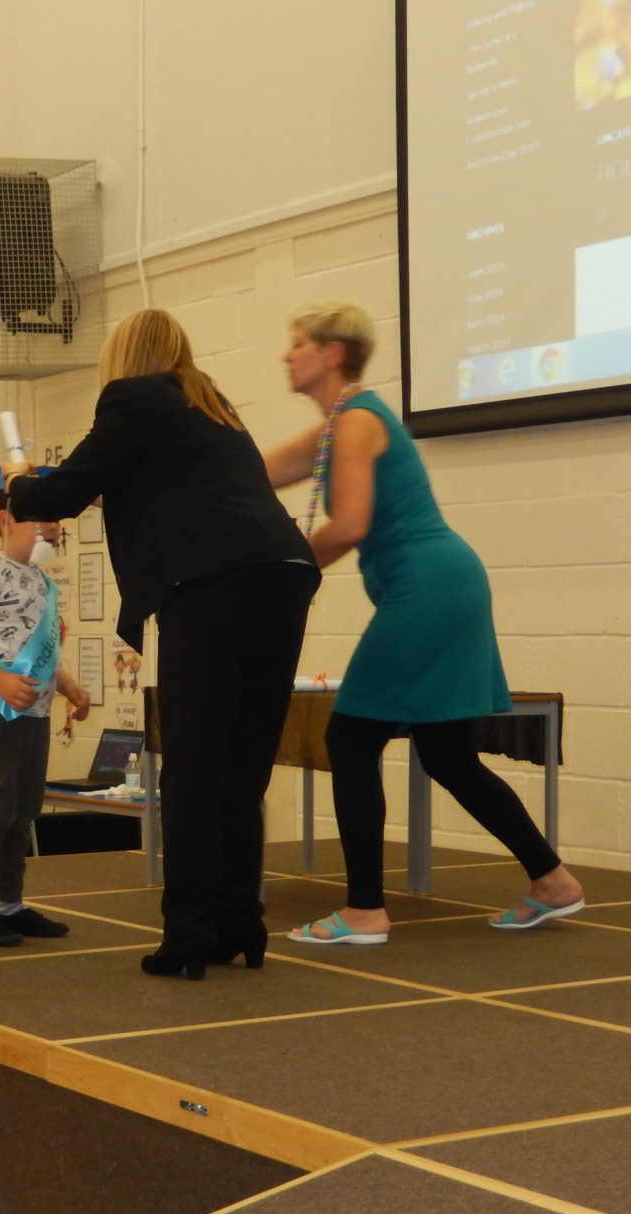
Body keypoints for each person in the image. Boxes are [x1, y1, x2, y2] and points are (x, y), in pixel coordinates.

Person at [7, 309, 319, 980]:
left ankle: (188, 938)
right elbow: (159, 487)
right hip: (285, 574)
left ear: (124, 356)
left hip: (213, 586)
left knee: (194, 768)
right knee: (242, 770)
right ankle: (239, 924)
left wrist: (18, 483)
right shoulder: (213, 406)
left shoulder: (134, 396)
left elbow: (61, 493)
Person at [266, 302, 583, 943]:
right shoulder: (338, 428)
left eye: (297, 343)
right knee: (448, 755)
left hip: (427, 587)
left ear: (332, 352)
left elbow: (350, 525)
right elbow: (250, 474)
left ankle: (364, 911)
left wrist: (285, 575)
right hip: (443, 583)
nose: (286, 355)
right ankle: (552, 881)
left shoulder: (357, 422)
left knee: (351, 740)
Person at [0, 487, 92, 945]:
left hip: (34, 713)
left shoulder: (42, 581)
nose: (52, 527)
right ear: (6, 521)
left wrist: (68, 686)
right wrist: (0, 681)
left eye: (56, 519)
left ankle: (9, 903)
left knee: (23, 810)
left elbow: (36, 652)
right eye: (41, 518)